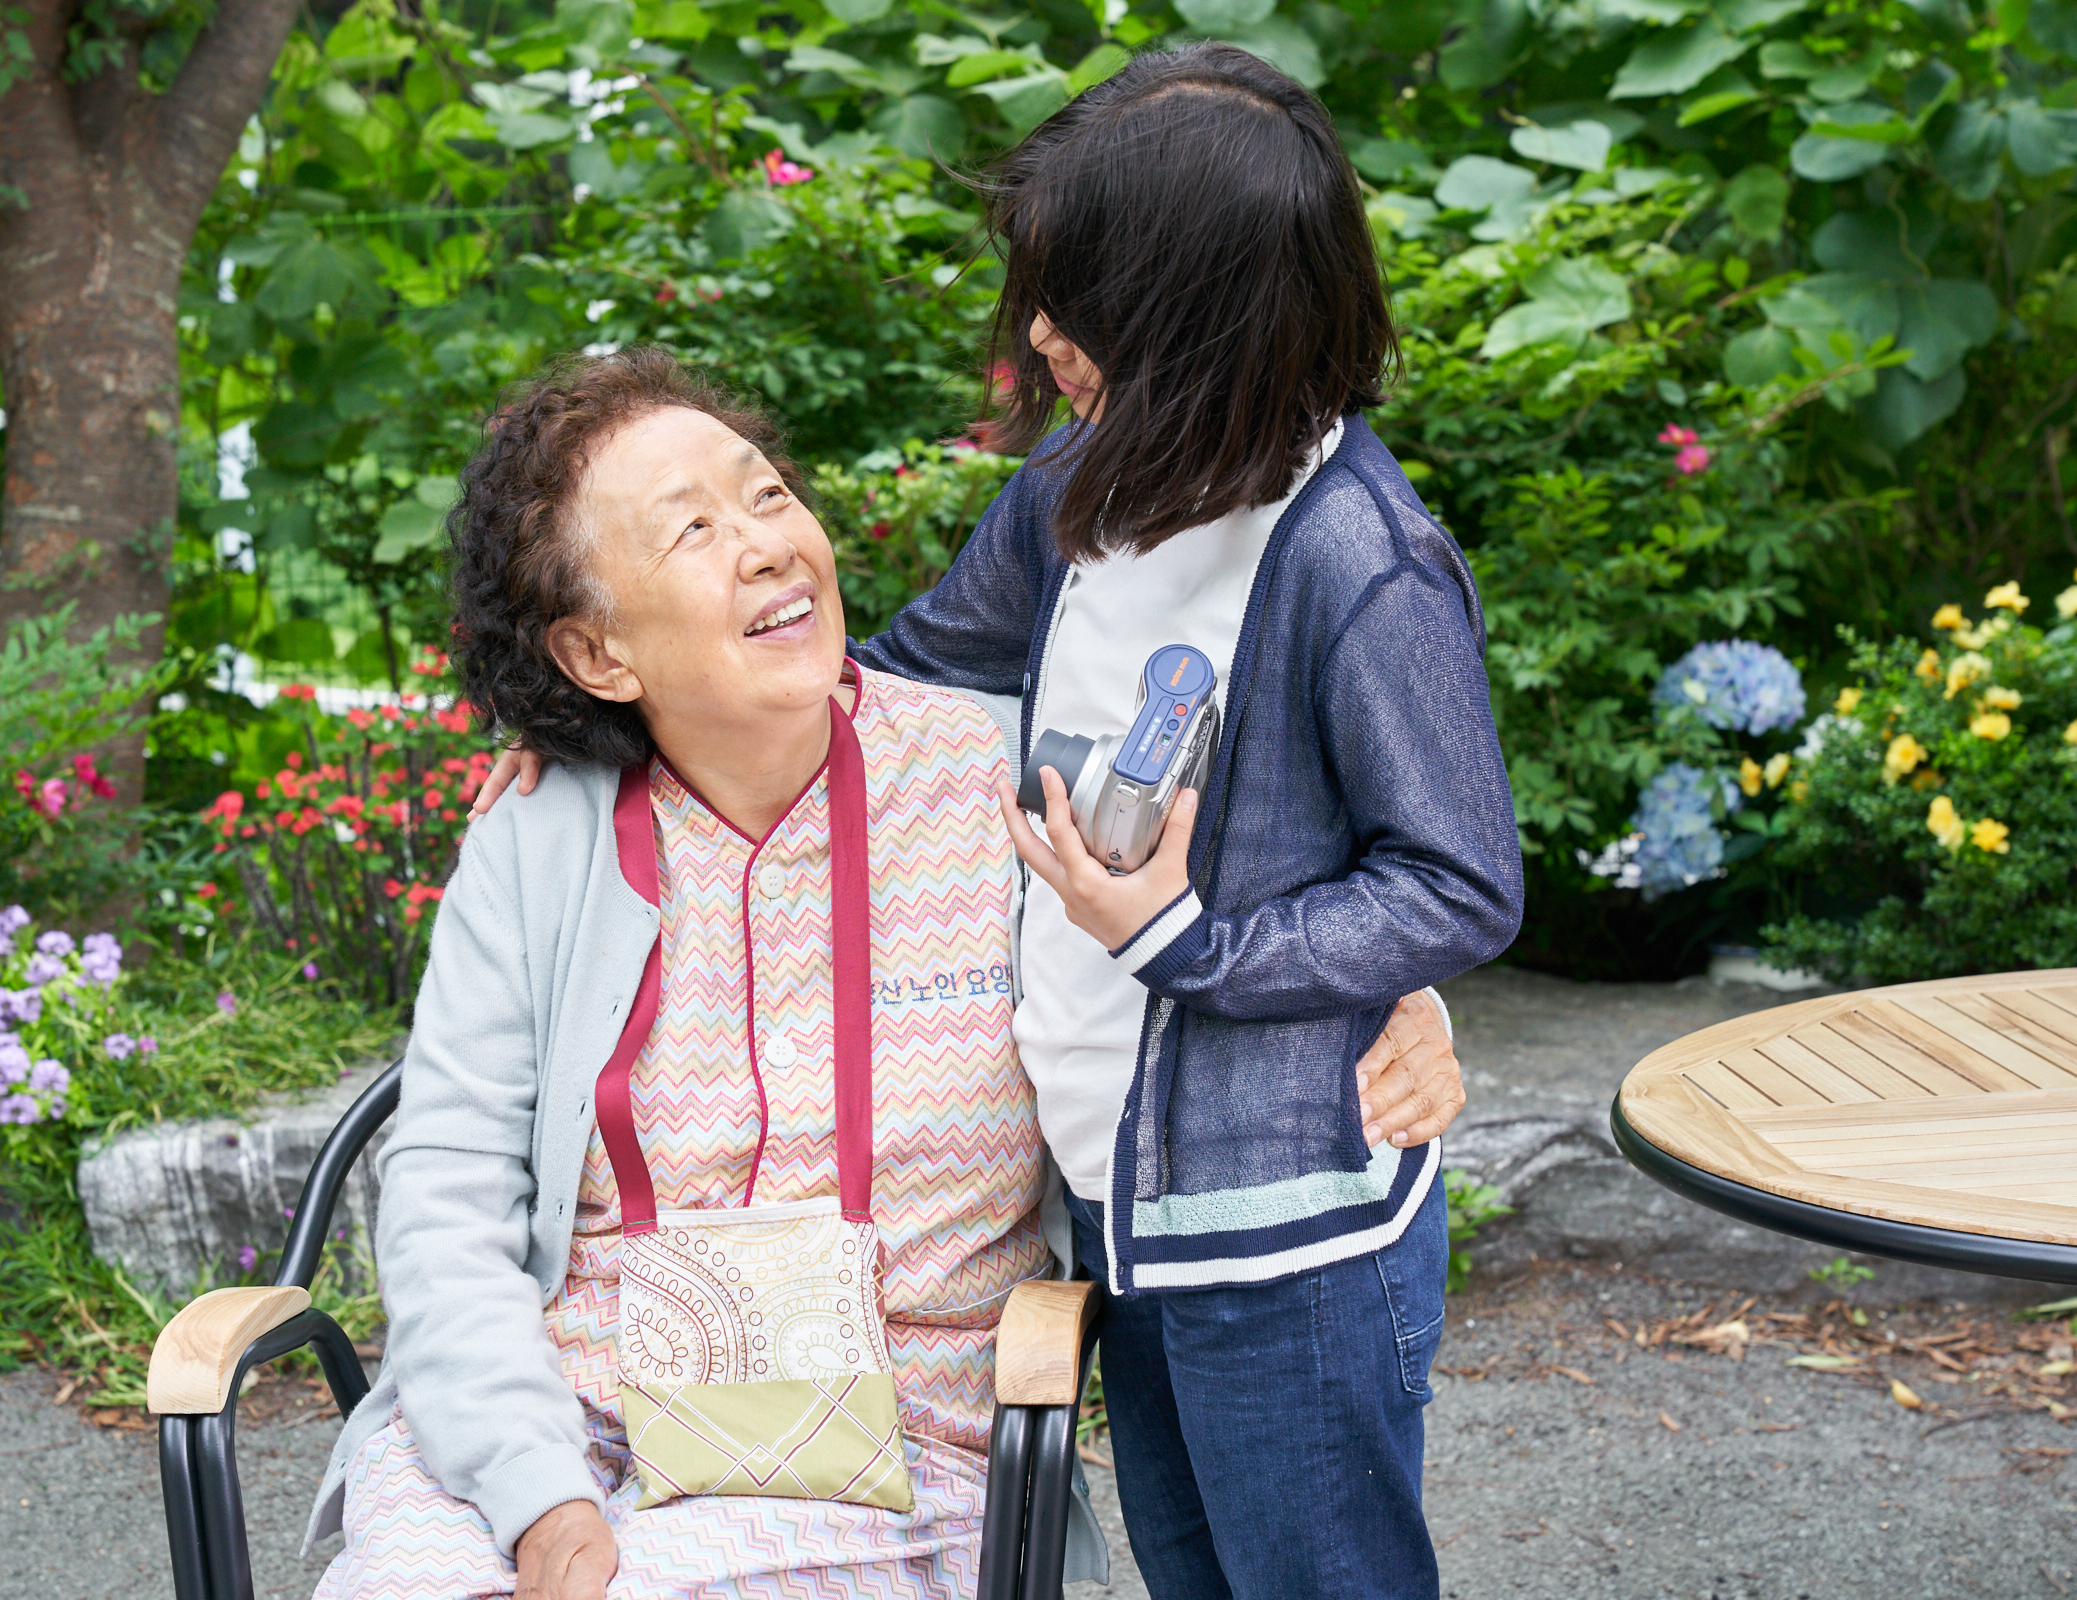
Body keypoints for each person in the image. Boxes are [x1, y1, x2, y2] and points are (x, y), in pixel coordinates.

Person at [477, 43, 1521, 1600]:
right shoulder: (1083, 491)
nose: (1038, 333)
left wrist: (1199, 946)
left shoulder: (1359, 565)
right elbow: (876, 691)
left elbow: (1457, 883)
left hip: (1289, 1229)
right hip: (1119, 1209)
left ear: (1199, 326)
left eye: (1076, 301)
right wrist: (600, 734)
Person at [317, 348, 1472, 1600]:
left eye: (766, 497)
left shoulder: (1006, 786)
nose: (763, 544)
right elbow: (446, 1200)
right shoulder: (545, 833)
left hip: (882, 1455)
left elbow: (1247, 893)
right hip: (547, 1420)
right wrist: (538, 1502)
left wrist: (1402, 998)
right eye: (692, 529)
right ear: (598, 655)